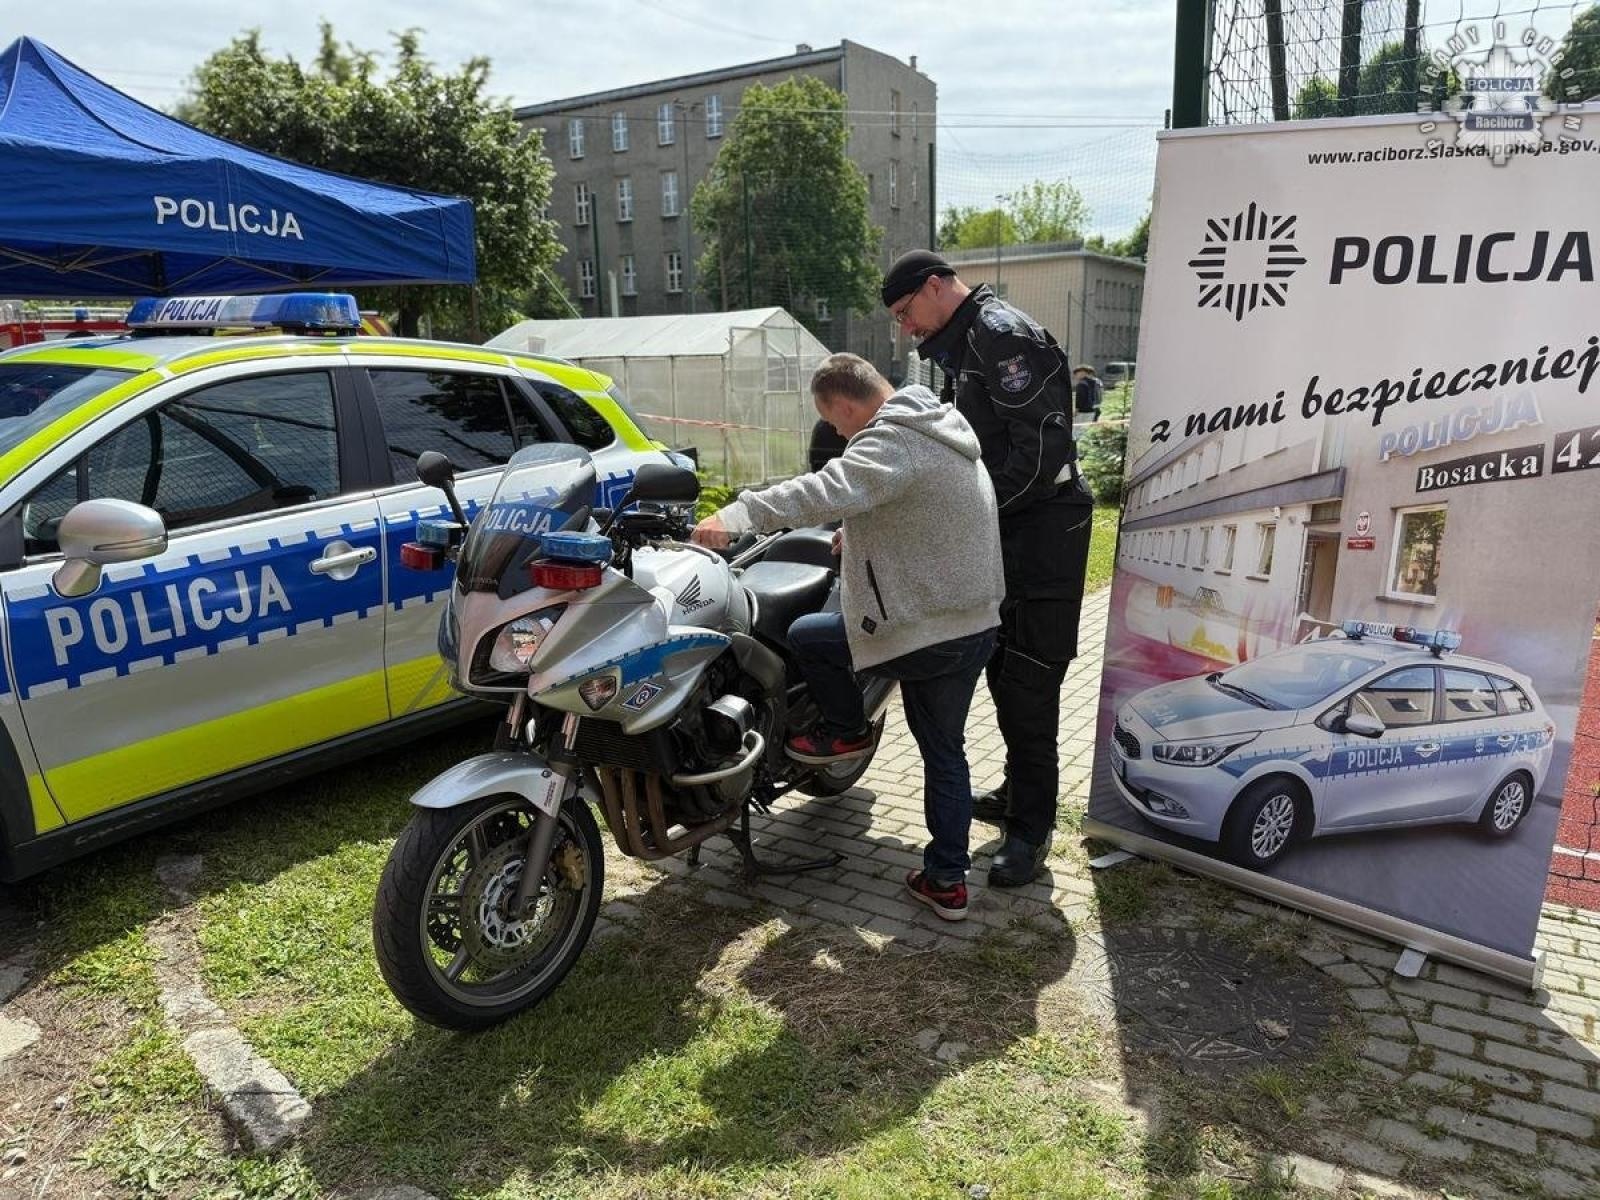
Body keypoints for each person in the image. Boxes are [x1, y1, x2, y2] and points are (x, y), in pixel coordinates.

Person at [692, 353, 1003, 921]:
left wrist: (734, 516)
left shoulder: (890, 440)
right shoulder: (937, 425)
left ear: (845, 402)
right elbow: (923, 514)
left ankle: (846, 732)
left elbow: (820, 490)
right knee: (945, 754)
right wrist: (857, 538)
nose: (835, 432)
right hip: (975, 619)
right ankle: (947, 880)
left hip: (927, 629)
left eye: (832, 421)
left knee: (809, 636)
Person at [881, 249, 1095, 887]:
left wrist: (970, 516)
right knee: (1001, 668)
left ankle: (1031, 828)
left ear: (937, 285)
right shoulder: (970, 338)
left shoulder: (1001, 335)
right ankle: (1016, 792)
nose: (905, 328)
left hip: (1044, 535)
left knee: (1029, 679)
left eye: (905, 311)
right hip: (1009, 534)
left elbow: (1039, 453)